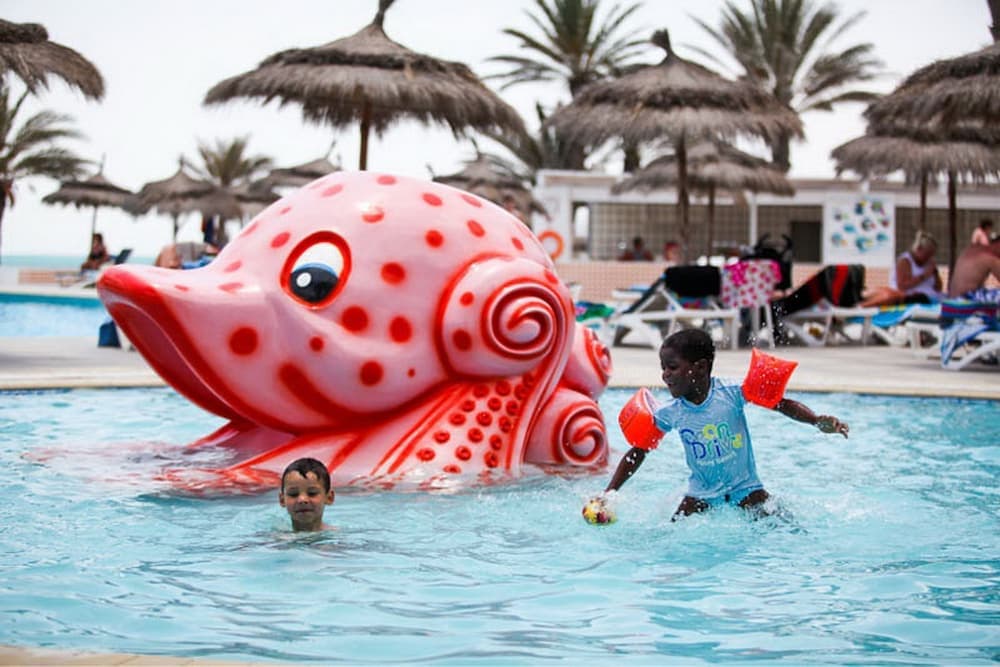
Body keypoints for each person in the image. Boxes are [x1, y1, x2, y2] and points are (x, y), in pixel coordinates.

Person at [590, 329, 849, 520]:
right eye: (663, 368)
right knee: (673, 532)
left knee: (785, 525)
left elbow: (780, 404)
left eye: (672, 367)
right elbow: (638, 451)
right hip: (701, 493)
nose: (665, 375)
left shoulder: (732, 393)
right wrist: (610, 492)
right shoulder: (671, 412)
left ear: (700, 368)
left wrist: (816, 420)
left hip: (745, 488)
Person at [861, 231, 943, 307]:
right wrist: (924, 276)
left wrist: (935, 273)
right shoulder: (905, 261)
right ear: (919, 249)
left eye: (932, 254)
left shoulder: (929, 263)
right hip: (909, 298)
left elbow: (938, 288)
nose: (929, 257)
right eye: (927, 254)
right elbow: (902, 286)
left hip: (931, 297)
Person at [278, 457, 335, 532]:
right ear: (282, 500)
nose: (302, 499)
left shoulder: (339, 536)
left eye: (312, 493)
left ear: (329, 498)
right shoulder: (275, 537)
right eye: (293, 494)